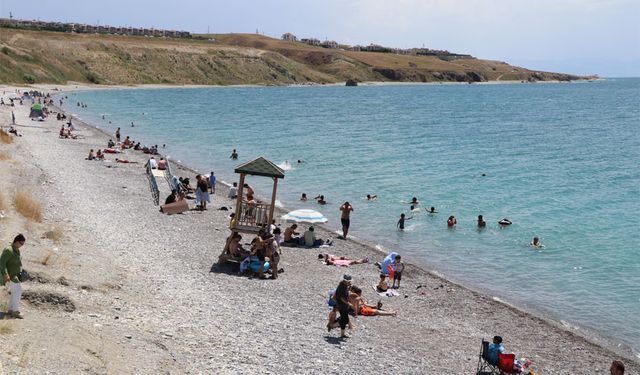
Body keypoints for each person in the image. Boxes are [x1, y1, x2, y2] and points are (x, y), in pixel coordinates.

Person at [0, 234, 27, 319]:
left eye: (23, 244)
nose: (21, 245)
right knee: (18, 291)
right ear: (16, 241)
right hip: (10, 276)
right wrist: (5, 274)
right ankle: (15, 311)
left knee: (15, 292)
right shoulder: (9, 250)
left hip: (15, 275)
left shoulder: (16, 250)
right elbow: (2, 263)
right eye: (21, 243)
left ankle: (11, 310)